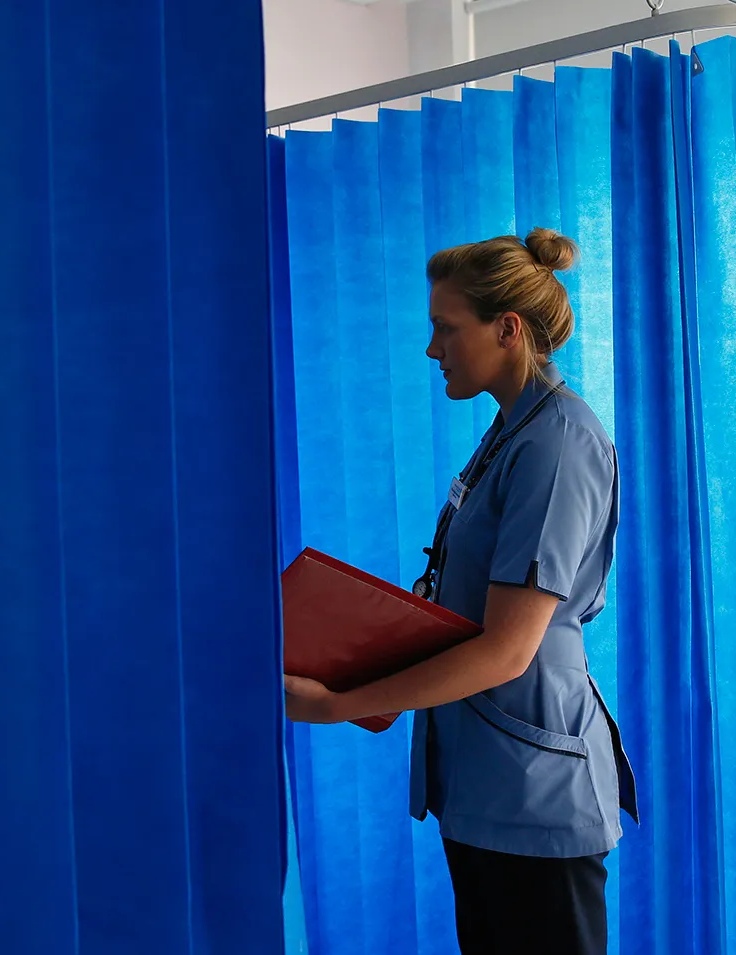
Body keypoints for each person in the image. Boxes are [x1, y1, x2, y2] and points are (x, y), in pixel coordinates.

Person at [283, 228, 636, 955]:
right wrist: (380, 675)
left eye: (446, 328)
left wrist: (339, 702)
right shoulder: (512, 433)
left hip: (534, 793)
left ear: (507, 329)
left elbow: (508, 648)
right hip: (488, 781)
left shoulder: (560, 441)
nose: (432, 348)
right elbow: (466, 601)